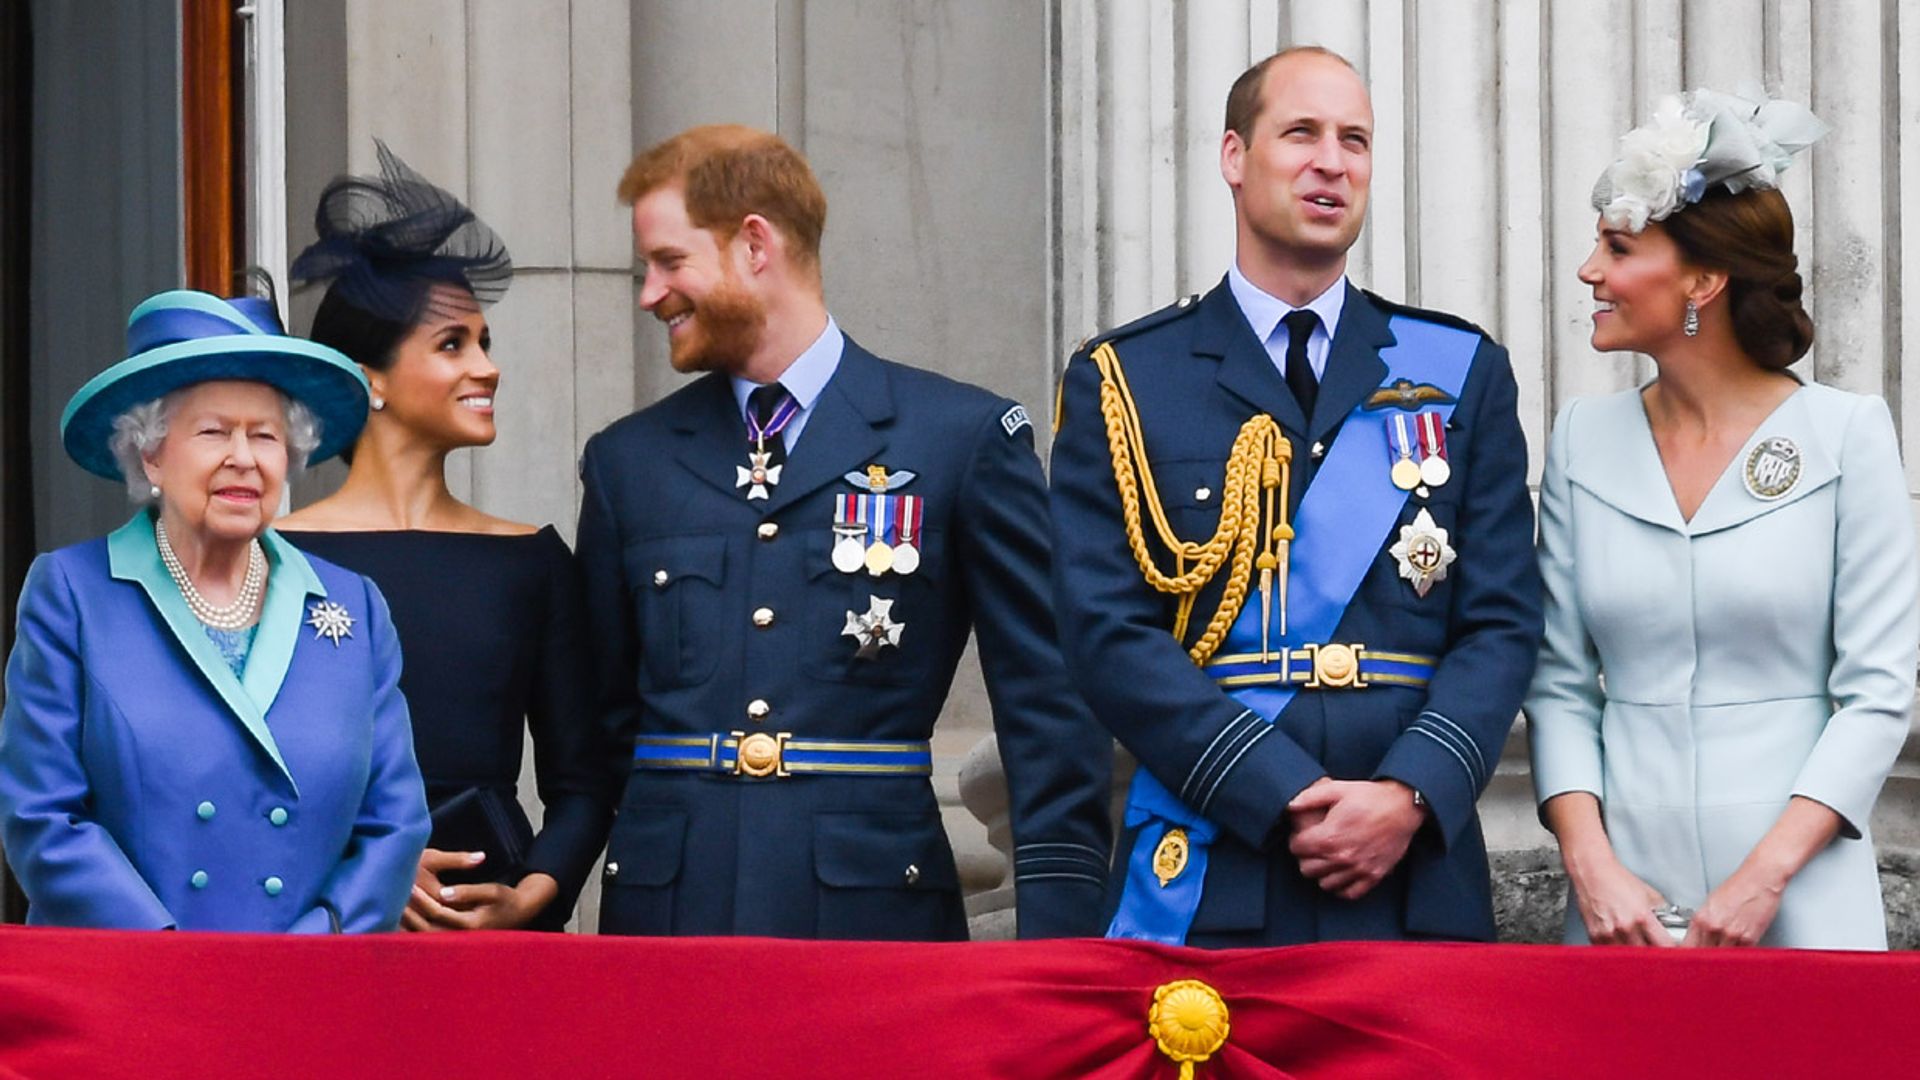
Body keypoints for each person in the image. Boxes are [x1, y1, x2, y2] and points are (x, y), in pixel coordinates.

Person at [1048, 46, 1543, 947]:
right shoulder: (1127, 378)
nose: (1333, 161)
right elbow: (1103, 630)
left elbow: (1503, 621)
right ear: (1235, 157)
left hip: (1412, 869)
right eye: (1302, 133)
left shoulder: (1459, 371)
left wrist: (1409, 791)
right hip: (1219, 851)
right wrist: (1272, 786)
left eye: (1354, 139)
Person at [579, 124, 1112, 940]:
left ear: (754, 245)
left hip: (872, 917)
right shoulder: (628, 462)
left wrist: (1061, 934)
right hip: (668, 919)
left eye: (670, 261)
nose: (650, 294)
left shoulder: (959, 438)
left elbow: (1045, 704)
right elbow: (606, 725)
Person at [1526, 91, 1914, 949]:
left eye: (1618, 248)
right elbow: (1555, 681)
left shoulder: (1848, 436)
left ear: (1703, 280)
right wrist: (1592, 869)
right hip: (1617, 911)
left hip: (1800, 900)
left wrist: (1760, 880)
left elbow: (1879, 692)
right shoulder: (1581, 441)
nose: (1590, 271)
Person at [0, 287, 429, 931]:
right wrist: (179, 958)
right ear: (150, 454)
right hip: (135, 984)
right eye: (212, 432)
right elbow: (42, 815)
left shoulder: (354, 607)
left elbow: (395, 822)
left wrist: (320, 938)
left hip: (311, 983)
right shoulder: (72, 594)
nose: (244, 458)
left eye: (265, 435)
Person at [277, 142, 614, 932]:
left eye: (485, 342)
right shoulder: (270, 556)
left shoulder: (533, 558)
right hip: (319, 928)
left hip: (495, 940)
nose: (488, 368)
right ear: (371, 380)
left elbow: (584, 782)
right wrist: (358, 864)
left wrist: (535, 894)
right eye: (453, 344)